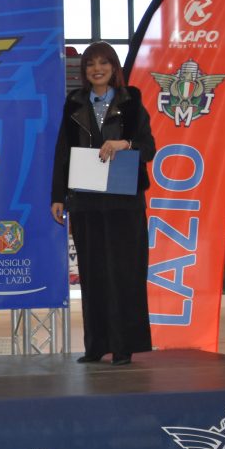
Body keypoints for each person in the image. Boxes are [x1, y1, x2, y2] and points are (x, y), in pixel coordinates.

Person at [50, 41, 155, 366]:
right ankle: (96, 346)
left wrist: (125, 143)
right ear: (84, 70)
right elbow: (63, 151)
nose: (97, 69)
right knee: (92, 273)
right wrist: (58, 196)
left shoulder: (132, 99)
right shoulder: (74, 102)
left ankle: (124, 346)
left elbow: (149, 147)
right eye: (91, 64)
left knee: (125, 273)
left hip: (124, 202)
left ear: (113, 67)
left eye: (103, 63)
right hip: (86, 202)